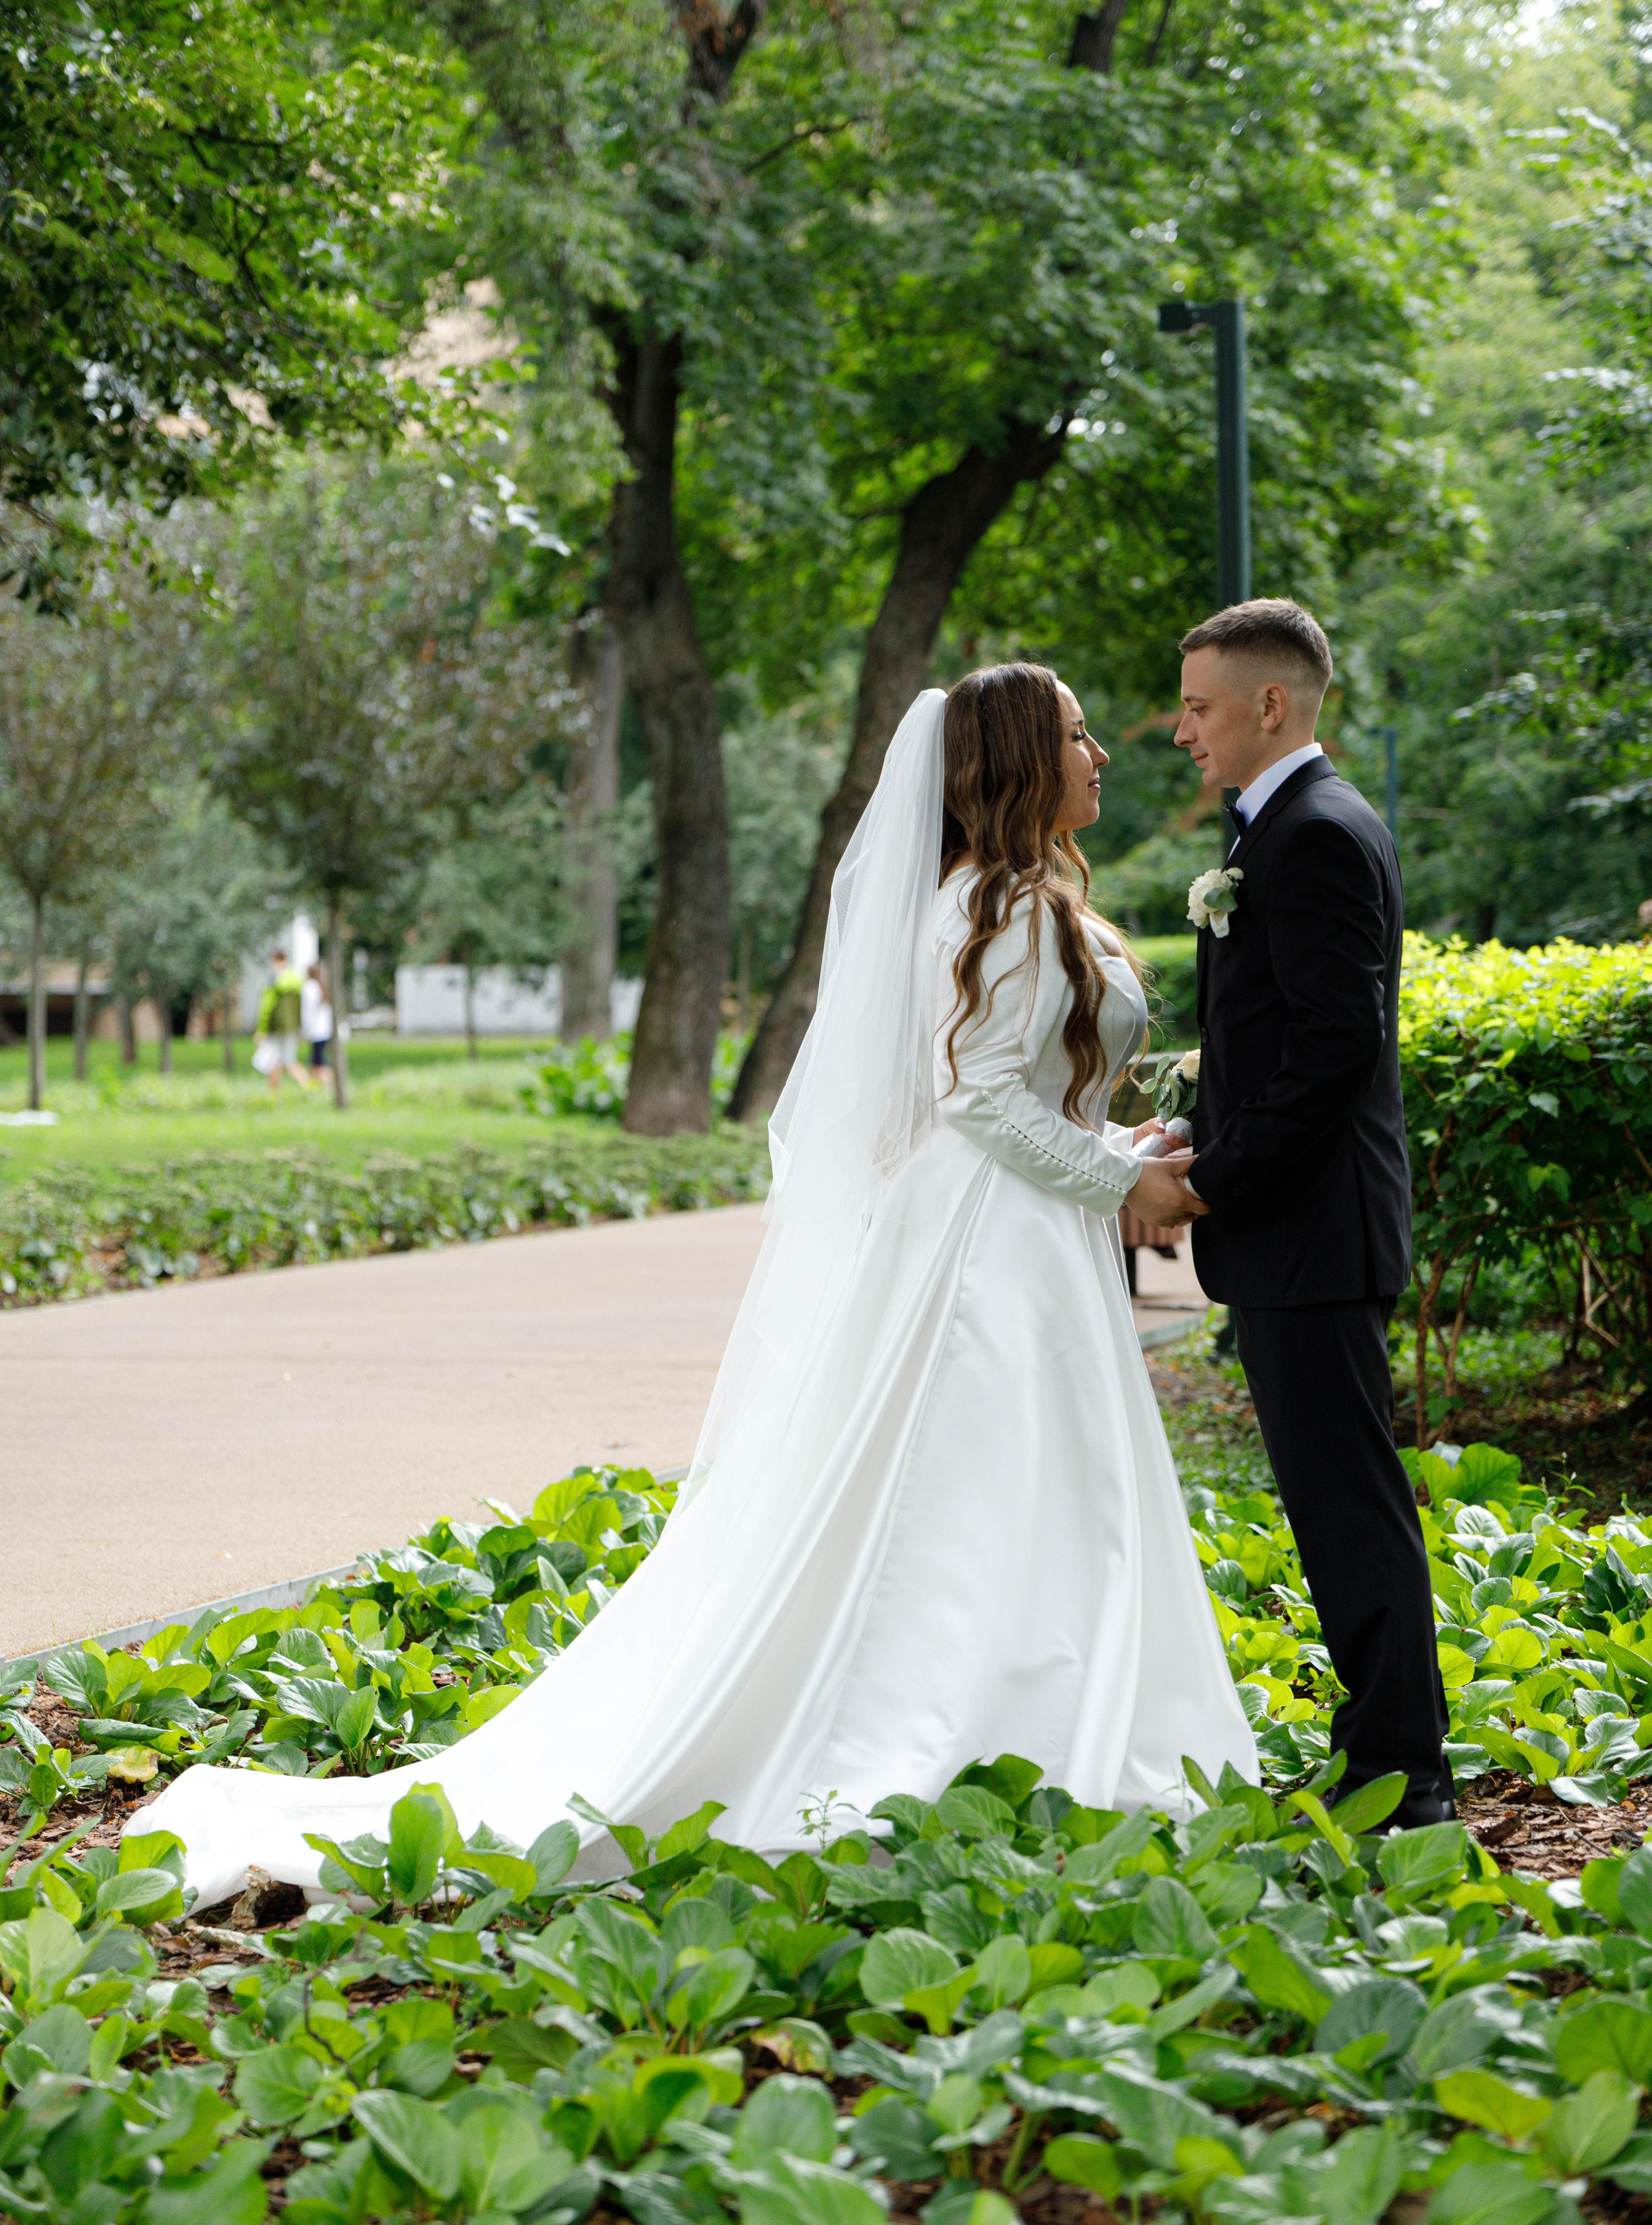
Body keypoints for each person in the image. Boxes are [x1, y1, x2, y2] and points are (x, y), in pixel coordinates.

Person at [129, 665, 1258, 1908]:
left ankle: (1021, 1719)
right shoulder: (1007, 909)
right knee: (993, 1483)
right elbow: (980, 1099)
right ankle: (999, 1729)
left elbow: (1011, 1097)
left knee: (998, 1486)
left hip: (994, 1229)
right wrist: (1122, 1188)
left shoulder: (984, 899)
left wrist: (1112, 1152)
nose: (1103, 753)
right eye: (1077, 736)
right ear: (1017, 765)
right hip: (992, 1252)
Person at [1153, 596, 1450, 1829]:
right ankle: (1380, 1748)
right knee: (1335, 1505)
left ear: (1270, 705)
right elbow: (1276, 1043)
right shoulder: (1281, 832)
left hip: (1314, 1237)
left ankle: (1407, 1777)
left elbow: (1332, 1056)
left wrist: (1209, 1182)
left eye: (1200, 706)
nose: (1182, 732)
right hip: (1298, 1237)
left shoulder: (1316, 834)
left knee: (1349, 1506)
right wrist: (1191, 1132)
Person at [251, 949, 308, 1097]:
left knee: (276, 1061)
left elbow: (266, 1008)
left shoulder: (273, 981)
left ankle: (275, 1094)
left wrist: (261, 1030)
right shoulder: (296, 979)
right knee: (285, 1060)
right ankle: (308, 1088)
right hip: (290, 1027)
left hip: (276, 1028)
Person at [301, 961, 334, 1092]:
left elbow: (308, 1012)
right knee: (316, 1060)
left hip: (315, 1030)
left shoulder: (309, 988)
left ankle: (328, 1085)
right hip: (325, 1030)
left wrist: (304, 1029)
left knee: (319, 1062)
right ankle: (316, 1087)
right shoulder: (322, 987)